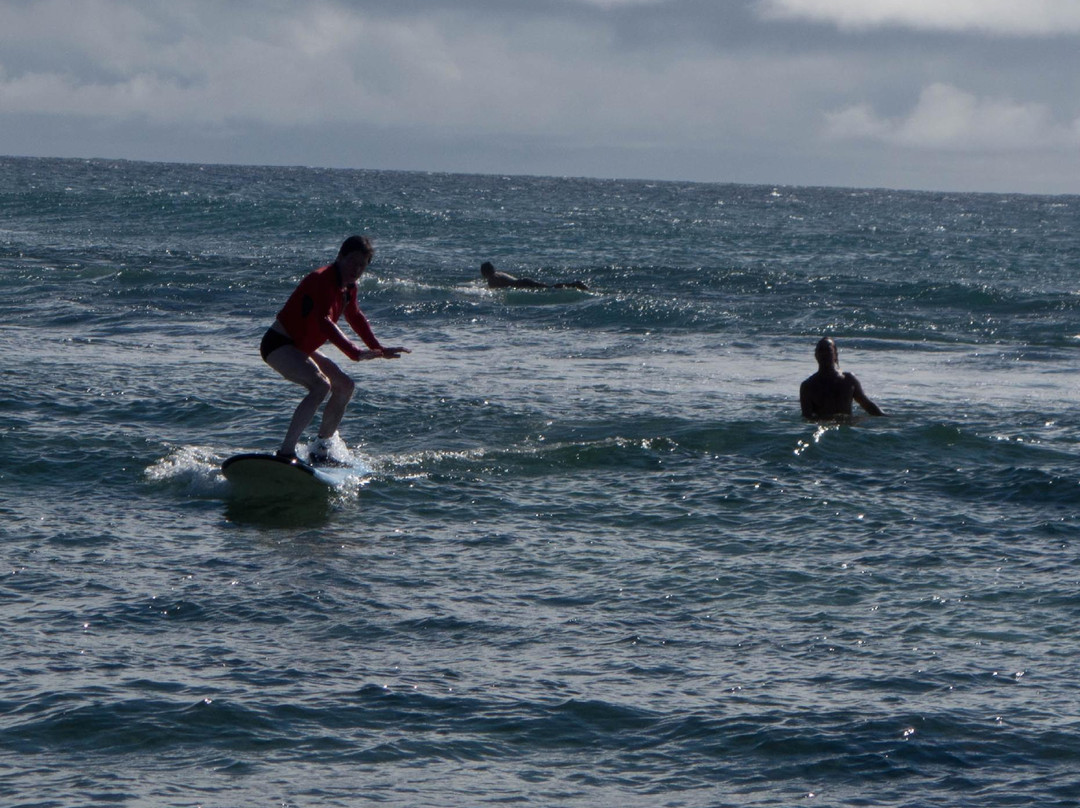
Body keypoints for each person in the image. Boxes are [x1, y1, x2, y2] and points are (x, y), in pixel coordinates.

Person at [260, 236, 409, 463]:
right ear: (339, 257)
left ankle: (320, 450)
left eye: (362, 265)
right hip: (279, 343)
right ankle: (286, 453)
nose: (356, 269)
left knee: (345, 386)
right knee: (320, 386)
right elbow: (323, 321)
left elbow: (355, 317)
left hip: (302, 347)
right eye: (352, 262)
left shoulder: (349, 288)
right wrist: (354, 352)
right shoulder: (321, 280)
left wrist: (378, 348)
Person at [800, 337, 884, 420]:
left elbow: (867, 404)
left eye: (828, 350)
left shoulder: (848, 380)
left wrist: (885, 418)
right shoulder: (808, 386)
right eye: (821, 350)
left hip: (847, 428)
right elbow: (807, 418)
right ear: (816, 355)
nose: (824, 353)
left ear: (835, 354)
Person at [480, 261, 588, 291]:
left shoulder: (492, 278)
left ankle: (574, 285)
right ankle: (572, 285)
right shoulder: (498, 273)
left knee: (550, 288)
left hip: (522, 284)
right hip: (523, 281)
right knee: (549, 287)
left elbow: (495, 290)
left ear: (485, 272)